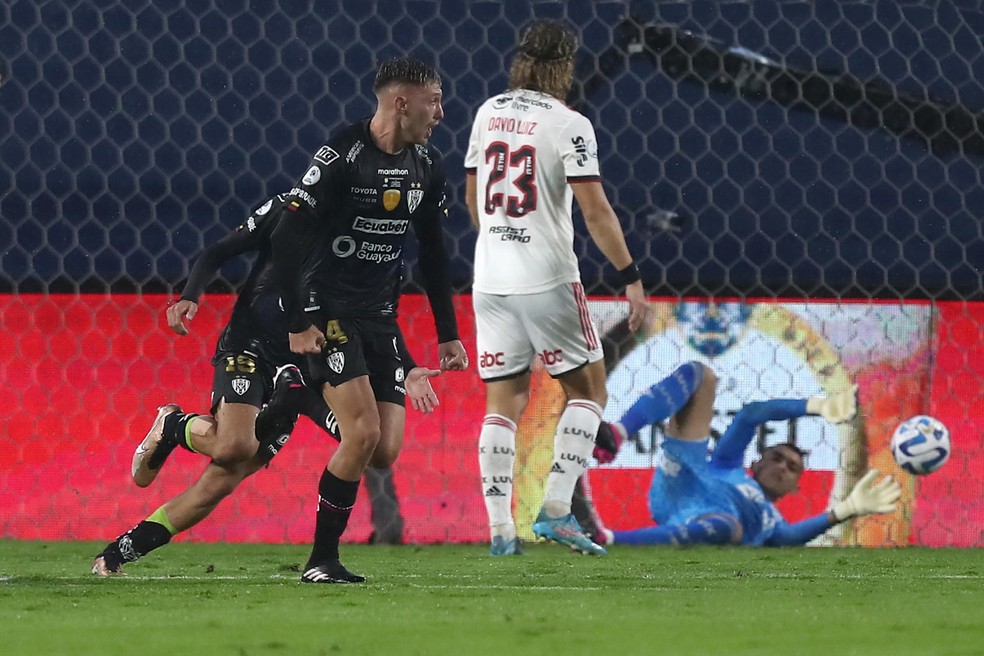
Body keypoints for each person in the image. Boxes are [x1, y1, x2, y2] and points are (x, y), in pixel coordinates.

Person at [92, 194, 440, 575]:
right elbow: (217, 251)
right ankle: (172, 425)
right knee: (234, 446)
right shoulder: (290, 210)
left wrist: (406, 366)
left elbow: (374, 313)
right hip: (251, 345)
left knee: (225, 478)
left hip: (307, 360)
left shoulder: (369, 235)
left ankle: (120, 551)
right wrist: (190, 296)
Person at [263, 57, 467, 584]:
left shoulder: (428, 164)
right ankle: (321, 561)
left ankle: (297, 395)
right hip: (328, 311)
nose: (441, 113)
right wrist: (297, 322)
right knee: (362, 433)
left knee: (383, 450)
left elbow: (433, 252)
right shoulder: (342, 154)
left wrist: (447, 334)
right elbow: (285, 238)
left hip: (380, 315)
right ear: (401, 103)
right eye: (433, 101)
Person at [463, 20, 649, 557]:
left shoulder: (487, 112)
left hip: (489, 279)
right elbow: (597, 211)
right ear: (566, 66)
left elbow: (473, 200)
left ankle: (501, 530)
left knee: (504, 402)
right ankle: (556, 510)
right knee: (589, 392)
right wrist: (630, 277)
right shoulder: (570, 123)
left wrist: (500, 244)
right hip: (546, 278)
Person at [589, 361, 901, 547]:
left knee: (730, 527)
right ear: (755, 463)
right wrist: (818, 406)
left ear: (796, 488)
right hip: (684, 480)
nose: (782, 467)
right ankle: (619, 433)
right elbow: (750, 415)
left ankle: (610, 538)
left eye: (793, 468)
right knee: (701, 375)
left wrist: (847, 509)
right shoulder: (728, 463)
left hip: (709, 521)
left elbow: (789, 538)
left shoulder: (771, 521)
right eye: (776, 457)